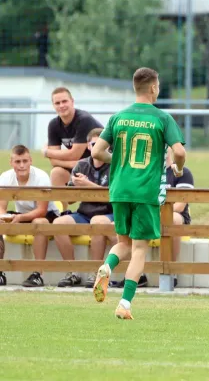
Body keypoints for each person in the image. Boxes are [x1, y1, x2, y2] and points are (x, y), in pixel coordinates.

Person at [91, 67, 186, 319]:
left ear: (135, 88)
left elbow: (96, 152)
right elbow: (180, 151)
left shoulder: (118, 117)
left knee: (123, 243)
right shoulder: (162, 118)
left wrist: (119, 160)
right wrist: (178, 167)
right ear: (154, 88)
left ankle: (106, 266)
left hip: (120, 189)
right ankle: (125, 304)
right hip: (145, 191)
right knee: (140, 249)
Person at [113, 147, 194, 288]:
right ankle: (136, 275)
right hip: (148, 213)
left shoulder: (183, 172)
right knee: (126, 223)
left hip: (174, 216)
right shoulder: (147, 173)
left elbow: (180, 206)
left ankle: (171, 270)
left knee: (173, 218)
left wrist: (153, 212)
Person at [52, 128, 116, 288]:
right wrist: (76, 188)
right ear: (88, 146)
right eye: (94, 144)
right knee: (58, 224)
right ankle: (73, 272)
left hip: (109, 213)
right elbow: (71, 200)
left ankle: (95, 273)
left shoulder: (115, 165)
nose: (98, 148)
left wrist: (89, 186)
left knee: (98, 221)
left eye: (103, 144)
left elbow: (113, 197)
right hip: (85, 213)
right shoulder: (81, 165)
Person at [0, 145, 60, 287]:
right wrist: (4, 217)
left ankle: (38, 273)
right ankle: (1, 271)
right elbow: (1, 207)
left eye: (25, 161)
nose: (22, 165)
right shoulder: (5, 177)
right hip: (22, 214)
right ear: (11, 163)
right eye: (18, 162)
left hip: (47, 214)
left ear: (31, 161)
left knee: (40, 223)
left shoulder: (41, 177)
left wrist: (19, 218)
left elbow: (41, 210)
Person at [44, 87, 103, 210]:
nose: (61, 105)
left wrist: (47, 152)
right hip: (82, 165)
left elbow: (74, 154)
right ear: (53, 105)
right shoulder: (54, 125)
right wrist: (75, 163)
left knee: (99, 201)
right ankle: (64, 212)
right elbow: (53, 161)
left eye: (65, 101)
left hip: (103, 166)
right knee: (56, 173)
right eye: (57, 103)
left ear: (72, 101)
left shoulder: (84, 120)